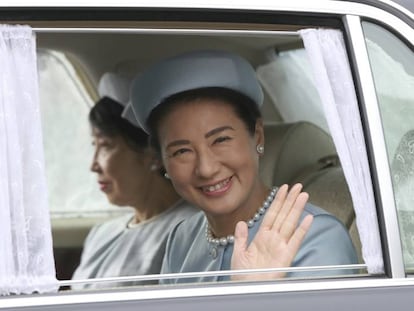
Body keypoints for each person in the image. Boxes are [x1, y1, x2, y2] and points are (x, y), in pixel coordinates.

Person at [128, 50, 358, 283]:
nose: (206, 169)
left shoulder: (316, 237)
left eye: (221, 140)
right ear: (163, 164)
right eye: (181, 151)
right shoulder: (182, 239)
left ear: (257, 137)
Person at [71, 95, 197, 289]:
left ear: (153, 154)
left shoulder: (191, 231)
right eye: (93, 145)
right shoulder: (101, 233)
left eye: (105, 146)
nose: (94, 165)